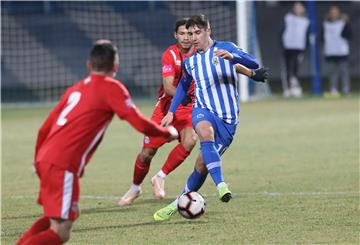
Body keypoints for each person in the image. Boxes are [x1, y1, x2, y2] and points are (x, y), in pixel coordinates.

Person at [16, 40, 178, 245]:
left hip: (46, 159)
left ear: (88, 65)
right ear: (116, 66)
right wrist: (167, 132)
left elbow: (43, 129)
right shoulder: (112, 88)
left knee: (55, 219)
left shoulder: (75, 89)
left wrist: (37, 159)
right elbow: (138, 122)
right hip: (62, 165)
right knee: (61, 231)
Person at [118, 18, 269, 206]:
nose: (188, 38)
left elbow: (229, 63)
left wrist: (252, 73)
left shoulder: (216, 48)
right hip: (177, 107)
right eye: (185, 34)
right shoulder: (175, 56)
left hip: (210, 111)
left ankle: (165, 183)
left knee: (196, 150)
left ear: (206, 31)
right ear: (176, 35)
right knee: (148, 152)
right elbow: (172, 86)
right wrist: (173, 109)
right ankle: (135, 187)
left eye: (193, 33)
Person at [280, 2, 309, 98]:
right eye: (296, 7)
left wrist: (306, 46)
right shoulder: (288, 18)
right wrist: (282, 44)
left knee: (296, 68)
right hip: (288, 47)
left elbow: (307, 35)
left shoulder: (306, 20)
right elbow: (282, 31)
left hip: (299, 47)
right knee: (288, 68)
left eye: (300, 7)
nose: (298, 9)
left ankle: (296, 87)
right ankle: (288, 88)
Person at [322, 5, 352, 97]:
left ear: (339, 13)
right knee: (332, 72)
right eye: (332, 12)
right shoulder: (326, 24)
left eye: (335, 12)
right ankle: (333, 89)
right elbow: (322, 38)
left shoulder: (343, 23)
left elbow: (349, 35)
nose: (334, 14)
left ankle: (346, 90)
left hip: (342, 51)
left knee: (344, 71)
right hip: (331, 52)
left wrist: (346, 23)